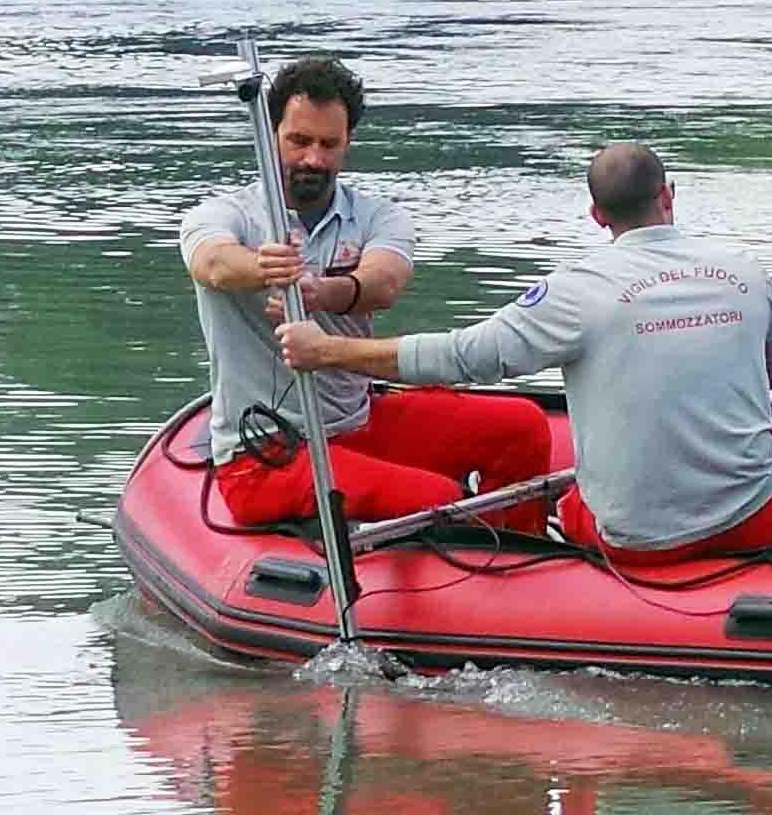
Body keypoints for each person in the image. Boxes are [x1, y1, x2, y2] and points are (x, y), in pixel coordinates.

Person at [277, 142, 772, 561]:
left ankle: (530, 578)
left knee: (571, 507)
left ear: (597, 215)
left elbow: (463, 356)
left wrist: (330, 350)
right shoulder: (744, 270)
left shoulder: (573, 292)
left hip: (638, 541)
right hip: (753, 518)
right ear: (669, 195)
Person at [179, 55, 554, 526]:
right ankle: (472, 548)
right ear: (272, 135)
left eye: (328, 144)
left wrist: (321, 292)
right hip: (267, 453)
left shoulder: (378, 216)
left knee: (523, 426)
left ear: (348, 143)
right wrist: (264, 266)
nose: (313, 159)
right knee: (439, 498)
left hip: (356, 420)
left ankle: (522, 552)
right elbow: (212, 263)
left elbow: (385, 281)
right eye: (299, 141)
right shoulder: (226, 215)